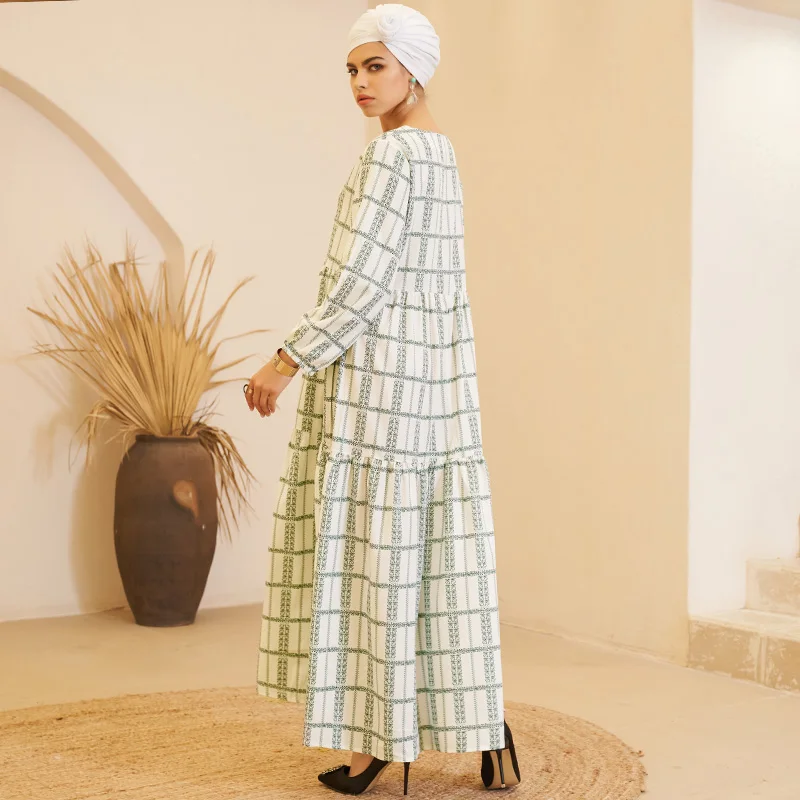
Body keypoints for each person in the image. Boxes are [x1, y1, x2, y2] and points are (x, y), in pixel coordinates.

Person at [246, 4, 521, 795]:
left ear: (413, 69)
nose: (360, 83)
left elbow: (360, 284)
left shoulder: (392, 156)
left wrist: (285, 360)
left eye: (375, 66)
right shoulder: (442, 152)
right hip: (435, 384)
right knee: (431, 562)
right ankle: (484, 726)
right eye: (352, 69)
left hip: (378, 388)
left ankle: (377, 745)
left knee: (376, 566)